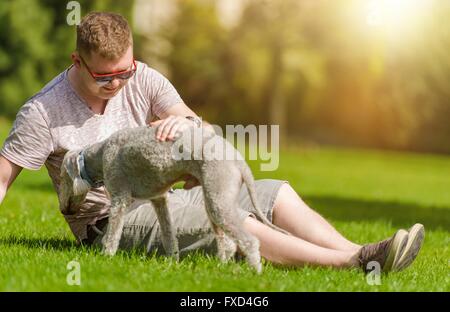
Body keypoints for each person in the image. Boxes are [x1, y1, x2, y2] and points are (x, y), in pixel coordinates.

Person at [0, 12, 424, 273]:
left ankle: (367, 250)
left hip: (162, 190)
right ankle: (356, 262)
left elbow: (193, 121)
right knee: (227, 219)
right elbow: (3, 179)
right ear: (78, 61)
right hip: (110, 220)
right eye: (105, 77)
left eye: (124, 73)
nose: (117, 84)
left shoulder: (142, 78)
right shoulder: (43, 112)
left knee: (273, 191)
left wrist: (184, 126)